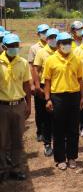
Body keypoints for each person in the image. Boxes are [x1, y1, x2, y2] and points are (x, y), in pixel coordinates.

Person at [44, 32, 83, 170]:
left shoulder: (76, 59)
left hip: (74, 96)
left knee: (73, 129)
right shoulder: (51, 60)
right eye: (64, 42)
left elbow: (80, 79)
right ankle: (60, 158)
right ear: (58, 45)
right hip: (58, 97)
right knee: (59, 129)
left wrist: (82, 97)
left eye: (69, 42)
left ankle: (72, 157)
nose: (67, 45)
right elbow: (47, 81)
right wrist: (48, 98)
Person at [0, 33, 31, 182]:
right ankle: (2, 168)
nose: (14, 48)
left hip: (19, 105)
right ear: (4, 47)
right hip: (2, 106)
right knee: (2, 140)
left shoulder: (23, 62)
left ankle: (16, 168)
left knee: (17, 139)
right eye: (11, 46)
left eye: (16, 46)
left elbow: (26, 84)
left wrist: (28, 104)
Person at [33, 28, 59, 157]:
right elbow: (36, 69)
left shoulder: (62, 51)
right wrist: (37, 86)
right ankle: (47, 143)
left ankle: (59, 141)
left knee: (58, 117)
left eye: (56, 37)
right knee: (46, 117)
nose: (53, 39)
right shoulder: (41, 52)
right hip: (45, 86)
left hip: (59, 87)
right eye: (51, 37)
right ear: (47, 39)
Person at [28, 23, 49, 142]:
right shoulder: (34, 48)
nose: (45, 34)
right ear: (38, 34)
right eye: (43, 32)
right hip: (39, 82)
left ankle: (49, 131)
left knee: (49, 108)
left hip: (50, 83)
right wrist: (33, 84)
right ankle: (40, 131)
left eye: (47, 32)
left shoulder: (55, 46)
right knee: (40, 109)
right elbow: (31, 67)